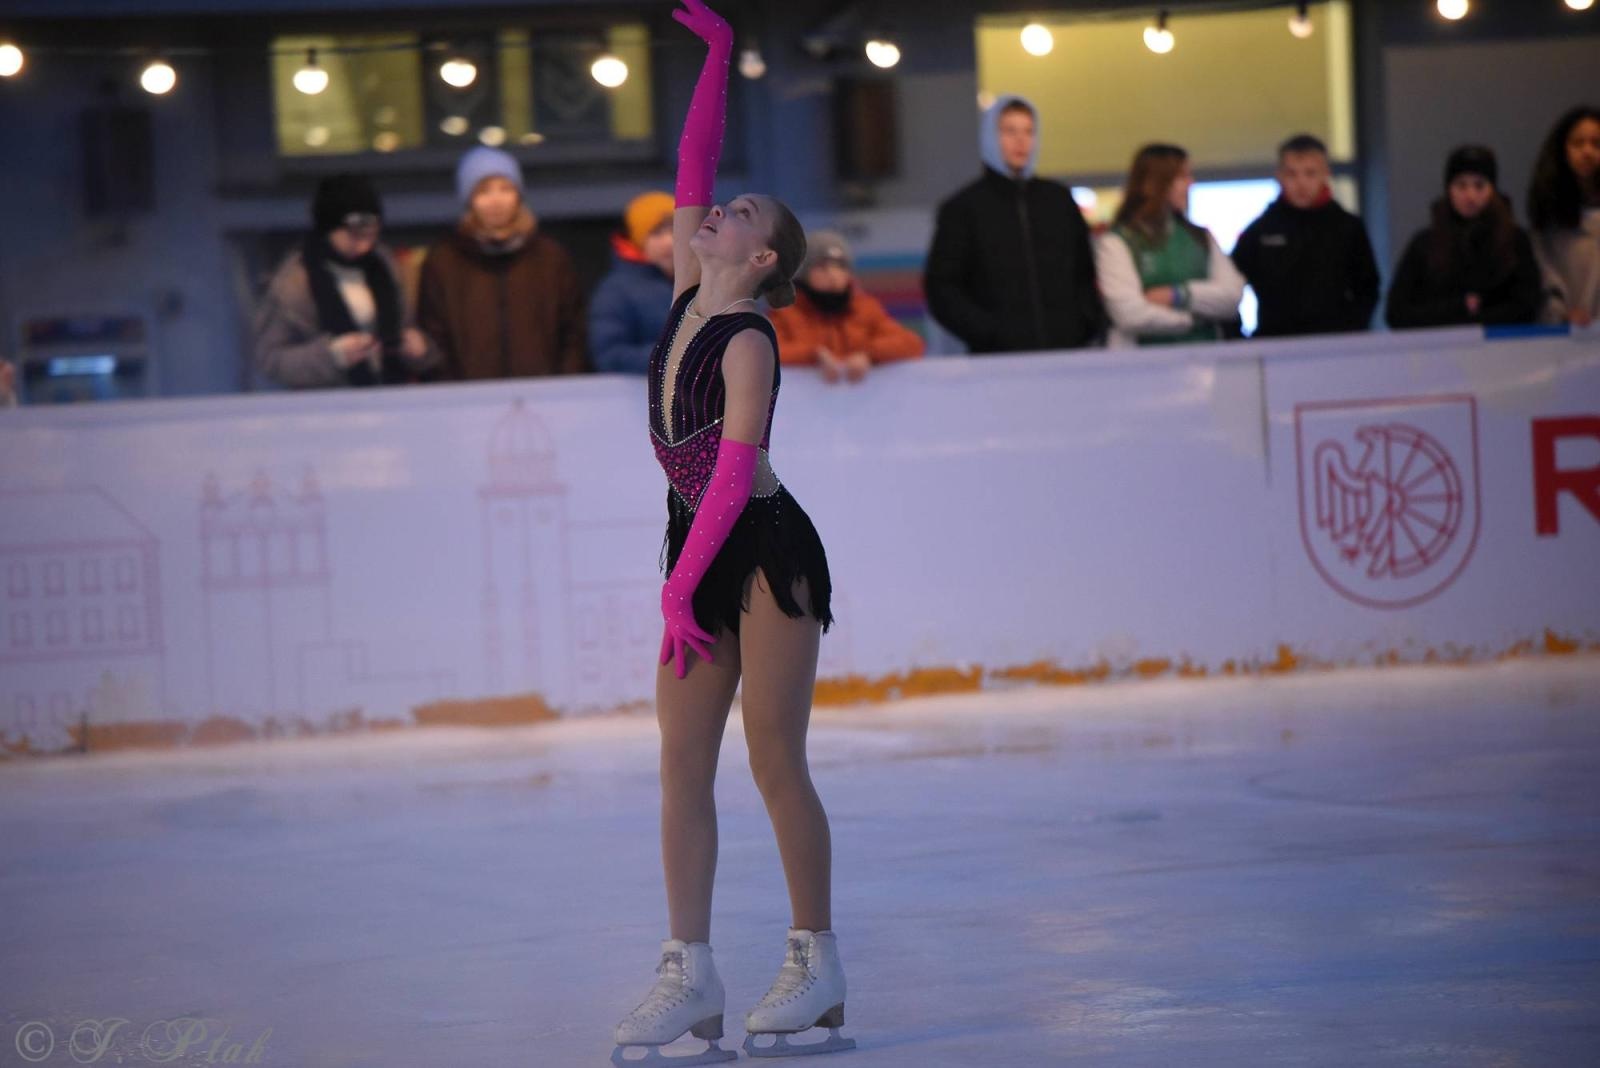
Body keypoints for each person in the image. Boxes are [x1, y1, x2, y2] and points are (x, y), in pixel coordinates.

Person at [611, 1, 854, 1063]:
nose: (712, 210)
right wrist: (712, 53)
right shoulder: (683, 293)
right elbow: (693, 155)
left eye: (737, 213)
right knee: (679, 763)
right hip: (694, 552)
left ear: (761, 261)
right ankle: (690, 973)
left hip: (761, 555)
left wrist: (677, 590)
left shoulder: (749, 338)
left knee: (773, 758)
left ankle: (816, 963)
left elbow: (732, 478)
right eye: (716, 208)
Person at [923, 94, 1105, 354]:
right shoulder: (963, 209)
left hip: (1067, 354)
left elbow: (1085, 272)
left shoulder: (1058, 201)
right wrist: (988, 333)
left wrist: (1084, 323)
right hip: (997, 364)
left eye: (1029, 131)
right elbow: (942, 288)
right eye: (1009, 131)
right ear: (990, 136)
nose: (1021, 141)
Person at [253, 174, 439, 388]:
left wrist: (419, 349)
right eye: (354, 236)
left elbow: (413, 333)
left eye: (371, 235)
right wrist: (333, 355)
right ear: (330, 229)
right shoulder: (294, 282)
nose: (365, 246)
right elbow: (269, 360)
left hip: (391, 397)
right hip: (328, 409)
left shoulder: (385, 267)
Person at [418, 146, 587, 380]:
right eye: (483, 191)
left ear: (518, 194)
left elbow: (573, 332)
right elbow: (434, 335)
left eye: (505, 188)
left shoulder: (550, 258)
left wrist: (565, 385)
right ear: (470, 199)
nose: (496, 200)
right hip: (467, 400)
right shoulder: (444, 261)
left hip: (546, 398)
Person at [1095, 143, 1246, 348]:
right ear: (1155, 182)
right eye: (1182, 176)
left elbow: (1232, 296)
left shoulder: (1199, 236)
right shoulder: (1117, 242)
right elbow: (1129, 313)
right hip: (1142, 368)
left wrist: (1177, 295)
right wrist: (1192, 319)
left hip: (1205, 363)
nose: (1190, 183)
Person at [1232, 134, 1380, 337]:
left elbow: (1367, 289)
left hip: (1336, 343)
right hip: (1275, 343)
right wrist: (1237, 335)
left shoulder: (1347, 227)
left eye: (1310, 173)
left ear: (1325, 173)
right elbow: (1231, 287)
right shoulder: (1261, 231)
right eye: (1292, 174)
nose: (1301, 183)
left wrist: (1352, 330)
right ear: (1280, 176)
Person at [1386, 145, 1543, 330]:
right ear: (1449, 190)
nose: (1470, 196)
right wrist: (1459, 308)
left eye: (1479, 185)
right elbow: (1396, 313)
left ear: (1492, 190)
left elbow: (1527, 306)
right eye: (1461, 185)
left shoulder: (1515, 241)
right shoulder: (1424, 244)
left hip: (1500, 351)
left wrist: (1471, 318)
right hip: (1439, 352)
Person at [770, 230, 925, 383]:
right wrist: (812, 355)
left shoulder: (866, 308)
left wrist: (868, 355)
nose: (832, 274)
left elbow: (912, 343)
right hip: (804, 406)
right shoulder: (786, 312)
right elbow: (765, 353)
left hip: (861, 406)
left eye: (840, 267)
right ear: (805, 274)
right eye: (822, 267)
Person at [589, 191, 678, 375]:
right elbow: (609, 355)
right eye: (657, 233)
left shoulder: (704, 281)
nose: (669, 242)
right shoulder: (616, 291)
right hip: (640, 399)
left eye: (675, 230)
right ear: (638, 240)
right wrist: (673, 359)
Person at [1528, 105, 1600, 328]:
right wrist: (1561, 314)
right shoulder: (1548, 218)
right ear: (1562, 150)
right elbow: (1546, 278)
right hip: (1564, 337)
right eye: (1578, 143)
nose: (1587, 152)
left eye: (1596, 144)